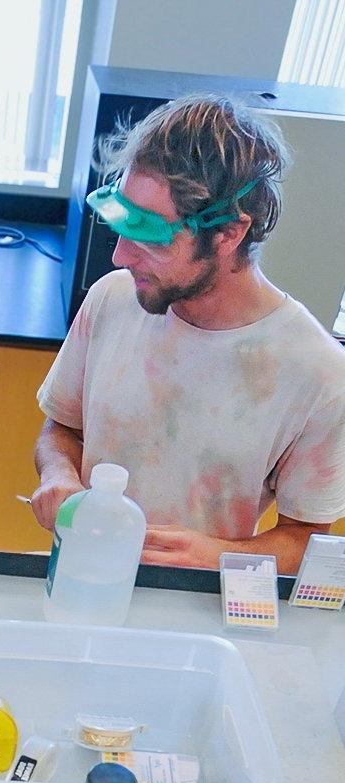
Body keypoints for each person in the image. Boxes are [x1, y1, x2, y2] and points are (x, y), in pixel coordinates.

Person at [33, 95, 345, 574]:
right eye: (121, 227)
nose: (120, 257)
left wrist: (217, 555)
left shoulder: (318, 374)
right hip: (81, 574)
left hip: (197, 610)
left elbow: (305, 540)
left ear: (229, 233)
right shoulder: (113, 299)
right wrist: (58, 474)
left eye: (151, 238)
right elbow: (63, 427)